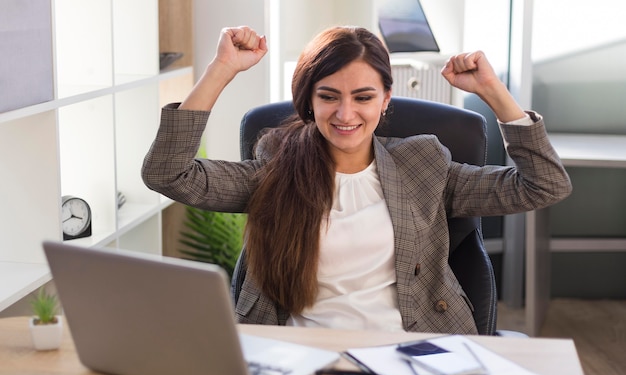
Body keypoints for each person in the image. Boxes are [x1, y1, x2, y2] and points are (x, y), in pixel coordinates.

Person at [142, 26, 572, 334]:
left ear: (386, 100)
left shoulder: (421, 166)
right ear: (308, 101)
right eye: (328, 97)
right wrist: (221, 69)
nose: (346, 115)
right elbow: (168, 173)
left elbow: (544, 184)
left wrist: (494, 91)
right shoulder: (273, 167)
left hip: (411, 350)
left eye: (363, 97)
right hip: (298, 353)